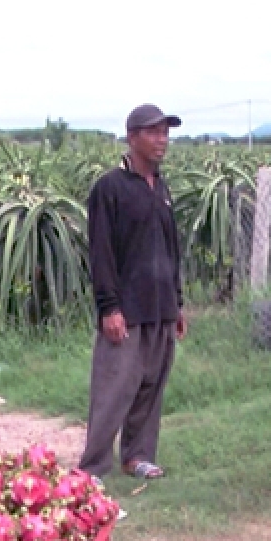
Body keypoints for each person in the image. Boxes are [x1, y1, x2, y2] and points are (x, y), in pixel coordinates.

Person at [78, 104, 188, 481]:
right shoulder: (110, 188)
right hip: (126, 307)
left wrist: (178, 301)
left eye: (165, 133)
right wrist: (109, 307)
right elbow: (102, 253)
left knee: (151, 386)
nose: (162, 141)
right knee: (114, 388)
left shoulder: (161, 187)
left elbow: (171, 248)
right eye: (153, 132)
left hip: (160, 306)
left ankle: (137, 455)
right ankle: (93, 467)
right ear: (132, 137)